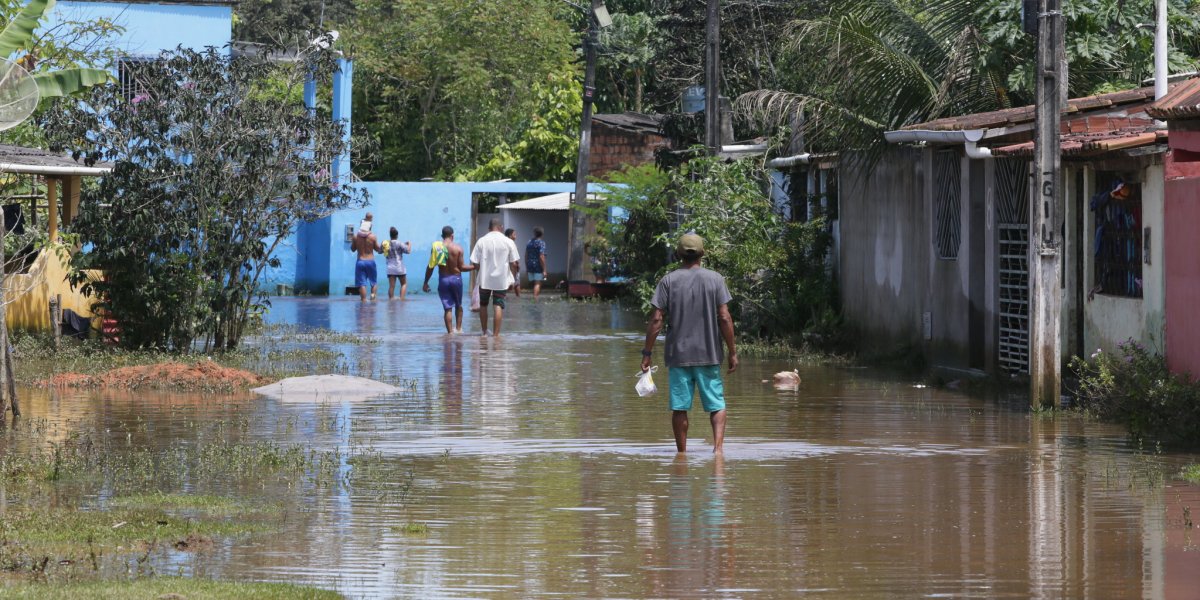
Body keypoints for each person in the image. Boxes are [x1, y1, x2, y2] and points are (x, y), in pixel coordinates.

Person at [640, 233, 737, 453]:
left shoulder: (668, 281)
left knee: (679, 407)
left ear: (678, 255)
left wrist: (647, 352)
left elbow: (656, 319)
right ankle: (718, 451)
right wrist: (732, 351)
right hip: (709, 354)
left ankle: (681, 455)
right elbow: (724, 317)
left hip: (679, 356)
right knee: (716, 404)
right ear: (702, 254)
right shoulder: (715, 279)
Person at [470, 218, 520, 337]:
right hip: (501, 280)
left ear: (489, 228)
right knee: (498, 305)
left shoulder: (481, 241)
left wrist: (482, 270)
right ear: (501, 227)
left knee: (483, 305)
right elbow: (514, 263)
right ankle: (496, 335)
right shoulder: (508, 242)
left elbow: (474, 262)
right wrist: (512, 279)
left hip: (484, 280)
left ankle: (484, 332)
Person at [422, 225, 476, 333]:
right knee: (458, 305)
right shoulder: (458, 248)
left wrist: (426, 283)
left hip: (443, 279)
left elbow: (430, 266)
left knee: (447, 308)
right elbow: (462, 267)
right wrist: (475, 267)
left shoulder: (437, 248)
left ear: (442, 236)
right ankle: (459, 330)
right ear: (452, 236)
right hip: (456, 279)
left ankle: (450, 333)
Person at [351, 212, 381, 302]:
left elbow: (352, 249)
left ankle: (364, 301)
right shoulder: (373, 237)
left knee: (362, 284)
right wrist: (383, 247)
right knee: (373, 283)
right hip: (371, 261)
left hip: (360, 261)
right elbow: (378, 250)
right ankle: (372, 298)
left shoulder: (356, 237)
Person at [383, 227, 412, 300]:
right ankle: (402, 300)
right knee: (404, 284)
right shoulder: (400, 243)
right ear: (397, 235)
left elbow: (380, 251)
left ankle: (391, 302)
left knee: (391, 286)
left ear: (390, 235)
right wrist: (409, 244)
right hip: (399, 267)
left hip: (390, 267)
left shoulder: (386, 243)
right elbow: (408, 251)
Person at [525, 226, 548, 299]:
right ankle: (535, 300)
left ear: (534, 233)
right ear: (542, 234)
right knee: (537, 283)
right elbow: (541, 256)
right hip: (537, 265)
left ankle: (535, 298)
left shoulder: (529, 242)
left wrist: (526, 266)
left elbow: (526, 255)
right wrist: (544, 269)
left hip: (529, 264)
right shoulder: (541, 243)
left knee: (535, 283)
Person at [504, 228, 522, 298]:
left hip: (508, 266)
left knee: (515, 283)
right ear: (510, 235)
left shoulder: (504, 243)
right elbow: (515, 258)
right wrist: (517, 265)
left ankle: (505, 296)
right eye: (514, 235)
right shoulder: (512, 244)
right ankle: (518, 297)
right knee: (515, 283)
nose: (516, 236)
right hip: (512, 266)